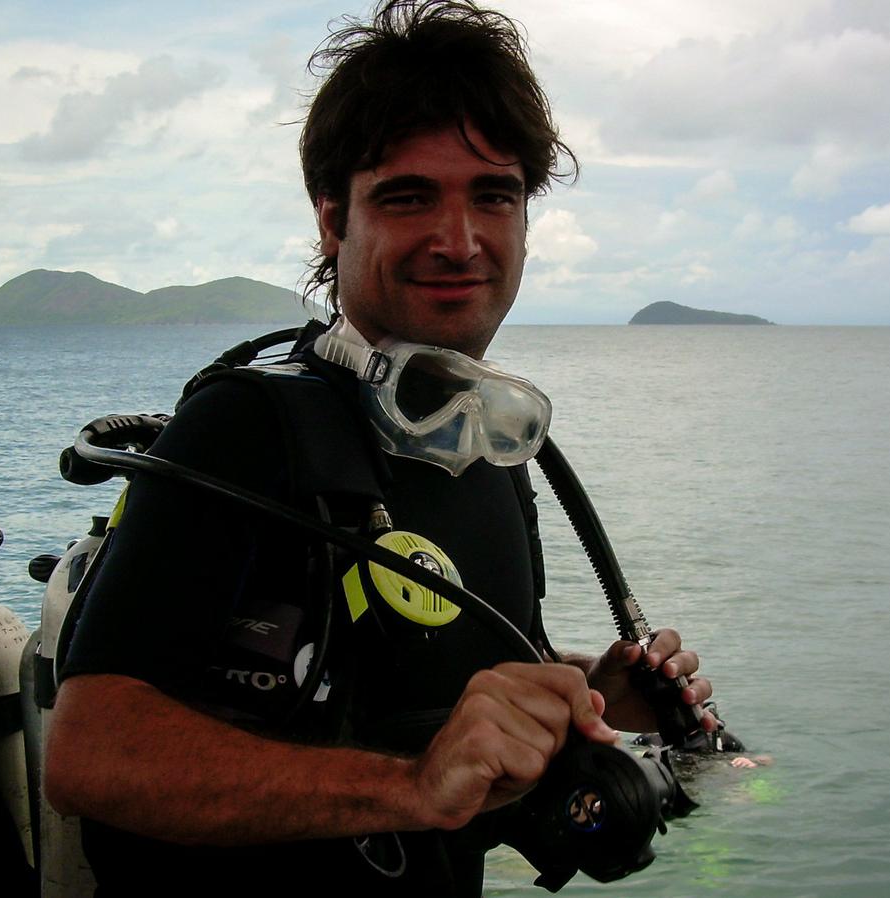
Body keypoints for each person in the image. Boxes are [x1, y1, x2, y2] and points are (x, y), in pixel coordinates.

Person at [44, 1, 713, 894]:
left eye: (494, 196)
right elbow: (90, 753)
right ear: (333, 221)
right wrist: (412, 787)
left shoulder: (487, 444)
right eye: (408, 197)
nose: (459, 241)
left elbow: (421, 669)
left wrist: (591, 688)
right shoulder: (246, 429)